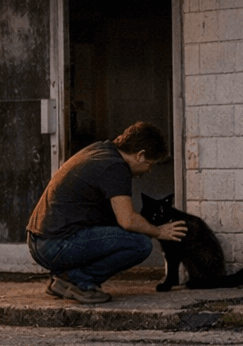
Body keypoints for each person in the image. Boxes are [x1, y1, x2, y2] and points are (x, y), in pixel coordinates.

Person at [25, 121, 187, 304]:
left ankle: (65, 279)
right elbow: (127, 220)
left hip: (40, 241)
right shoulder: (115, 168)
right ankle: (78, 281)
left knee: (124, 230)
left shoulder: (100, 150)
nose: (149, 170)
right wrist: (160, 231)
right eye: (150, 164)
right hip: (54, 244)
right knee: (141, 244)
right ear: (140, 155)